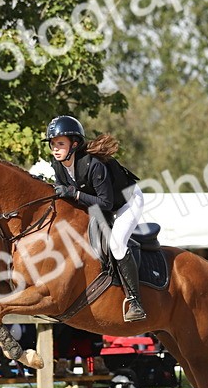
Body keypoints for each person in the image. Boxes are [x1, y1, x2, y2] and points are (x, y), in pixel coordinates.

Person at [44, 114, 147, 322]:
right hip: (100, 205)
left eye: (60, 144)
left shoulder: (93, 165)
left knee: (117, 244)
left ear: (74, 144)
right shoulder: (58, 166)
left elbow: (106, 204)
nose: (55, 148)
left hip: (127, 201)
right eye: (53, 144)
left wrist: (75, 194)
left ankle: (135, 301)